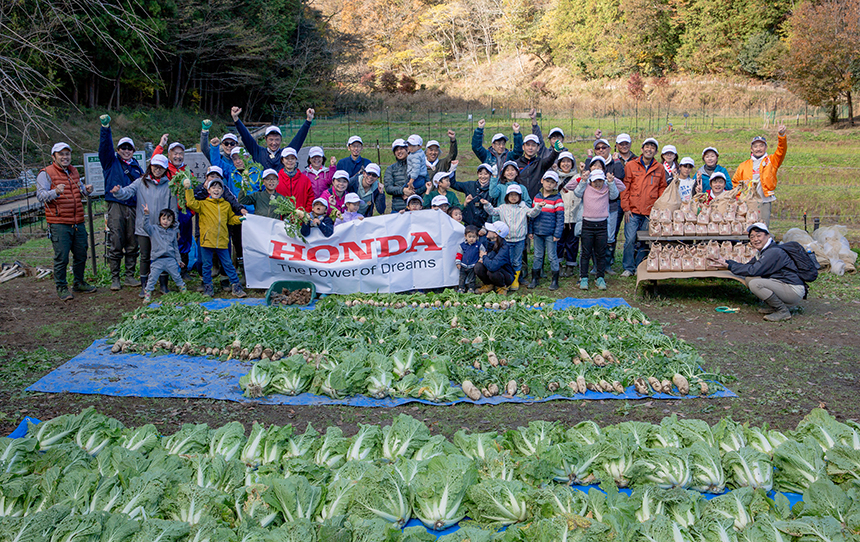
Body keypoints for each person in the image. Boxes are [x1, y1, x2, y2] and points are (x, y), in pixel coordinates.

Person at [111, 154, 177, 298]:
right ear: (150, 166)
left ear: (165, 169)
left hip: (162, 229)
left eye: (161, 167)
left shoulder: (170, 185)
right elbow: (127, 192)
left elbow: (173, 209)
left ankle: (164, 285)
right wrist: (118, 192)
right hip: (144, 227)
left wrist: (174, 227)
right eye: (155, 166)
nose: (157, 169)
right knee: (145, 256)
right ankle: (145, 286)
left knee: (163, 254)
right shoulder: (140, 182)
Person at [708, 222, 804, 322]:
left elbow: (753, 270)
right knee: (749, 279)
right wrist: (727, 263)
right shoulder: (763, 251)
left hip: (793, 289)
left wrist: (730, 266)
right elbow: (748, 266)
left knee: (755, 284)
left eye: (759, 235)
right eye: (752, 237)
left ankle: (782, 311)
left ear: (768, 235)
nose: (755, 239)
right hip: (782, 284)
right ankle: (774, 306)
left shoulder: (773, 252)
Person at [37, 142, 96, 300]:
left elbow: (79, 188)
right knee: (61, 257)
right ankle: (62, 287)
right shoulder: (46, 173)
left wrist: (86, 190)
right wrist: (54, 192)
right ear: (53, 157)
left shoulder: (74, 171)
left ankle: (78, 282)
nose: (65, 157)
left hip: (78, 221)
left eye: (67, 154)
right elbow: (40, 196)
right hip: (59, 223)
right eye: (61, 154)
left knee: (81, 254)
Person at [183, 172, 247, 298]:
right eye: (213, 187)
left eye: (219, 188)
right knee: (206, 265)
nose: (216, 190)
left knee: (228, 264)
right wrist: (188, 189)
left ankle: (236, 286)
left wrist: (240, 219)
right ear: (208, 190)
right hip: (207, 241)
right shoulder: (203, 204)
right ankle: (208, 286)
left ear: (222, 190)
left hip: (222, 241)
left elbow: (230, 219)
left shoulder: (226, 205)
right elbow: (190, 203)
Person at [98, 114, 143, 290]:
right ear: (117, 149)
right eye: (122, 148)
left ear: (133, 150)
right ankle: (115, 277)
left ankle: (129, 276)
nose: (126, 151)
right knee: (116, 240)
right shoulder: (110, 162)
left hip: (133, 206)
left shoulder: (137, 167)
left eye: (129, 148)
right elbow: (105, 147)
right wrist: (105, 129)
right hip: (115, 205)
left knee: (133, 242)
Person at [620, 137, 667, 277]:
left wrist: (658, 209)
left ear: (656, 151)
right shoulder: (631, 166)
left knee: (645, 241)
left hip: (650, 212)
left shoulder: (659, 168)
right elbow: (625, 187)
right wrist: (626, 207)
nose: (649, 149)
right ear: (642, 149)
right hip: (633, 211)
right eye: (647, 147)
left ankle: (640, 265)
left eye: (652, 147)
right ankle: (628, 267)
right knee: (629, 240)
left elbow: (662, 188)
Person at [481, 185, 542, 291]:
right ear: (507, 196)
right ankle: (506, 279)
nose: (513, 197)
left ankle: (515, 280)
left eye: (516, 195)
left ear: (519, 196)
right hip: (506, 240)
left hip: (519, 239)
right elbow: (492, 211)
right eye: (511, 195)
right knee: (507, 261)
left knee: (517, 261)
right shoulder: (503, 207)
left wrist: (538, 207)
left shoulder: (523, 207)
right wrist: (487, 204)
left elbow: (532, 213)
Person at [152, 136, 194, 275]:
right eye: (174, 153)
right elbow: (154, 162)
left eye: (180, 154)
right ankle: (165, 271)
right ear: (169, 155)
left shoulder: (188, 171)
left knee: (184, 239)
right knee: (166, 240)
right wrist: (160, 145)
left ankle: (183, 270)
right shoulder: (165, 170)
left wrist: (190, 212)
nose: (178, 156)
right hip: (167, 212)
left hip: (184, 212)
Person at [575, 169, 621, 290]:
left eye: (600, 181)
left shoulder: (606, 188)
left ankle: (600, 277)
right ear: (591, 180)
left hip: (601, 225)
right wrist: (583, 179)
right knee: (585, 252)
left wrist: (611, 181)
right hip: (587, 224)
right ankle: (583, 277)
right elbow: (576, 192)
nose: (598, 184)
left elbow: (617, 193)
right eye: (595, 181)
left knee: (601, 253)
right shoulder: (586, 187)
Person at [732, 125, 787, 226]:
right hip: (747, 202)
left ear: (766, 147)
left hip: (764, 200)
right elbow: (735, 183)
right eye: (755, 146)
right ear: (751, 149)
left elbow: (781, 151)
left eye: (761, 146)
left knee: (763, 226)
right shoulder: (743, 165)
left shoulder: (772, 161)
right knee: (747, 226)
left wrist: (781, 135)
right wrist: (740, 199)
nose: (758, 149)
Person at [230, 106, 315, 171]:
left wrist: (308, 120)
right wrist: (236, 119)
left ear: (281, 140)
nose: (274, 143)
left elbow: (298, 139)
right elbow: (246, 137)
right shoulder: (258, 152)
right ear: (265, 139)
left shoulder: (285, 154)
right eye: (271, 139)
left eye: (277, 139)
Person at [140, 205, 186, 303]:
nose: (166, 221)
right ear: (160, 219)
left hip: (170, 259)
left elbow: (175, 248)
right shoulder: (154, 230)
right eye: (163, 218)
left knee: (177, 276)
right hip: (158, 260)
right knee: (152, 278)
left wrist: (178, 260)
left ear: (172, 222)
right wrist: (146, 214)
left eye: (169, 220)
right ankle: (147, 295)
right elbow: (145, 226)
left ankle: (184, 292)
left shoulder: (173, 232)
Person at [528, 170, 565, 291]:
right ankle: (535, 278)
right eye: (547, 181)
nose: (549, 184)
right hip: (538, 232)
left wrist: (557, 233)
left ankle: (555, 280)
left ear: (555, 185)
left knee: (552, 256)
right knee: (538, 255)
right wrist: (531, 230)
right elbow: (532, 215)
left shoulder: (557, 199)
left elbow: (560, 218)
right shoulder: (537, 198)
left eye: (552, 182)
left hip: (550, 233)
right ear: (542, 181)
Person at [607, 133, 635, 269]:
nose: (624, 146)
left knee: (631, 232)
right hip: (616, 199)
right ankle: (609, 257)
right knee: (613, 230)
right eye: (621, 144)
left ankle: (632, 259)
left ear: (630, 144)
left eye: (626, 143)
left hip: (632, 199)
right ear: (616, 145)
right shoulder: (611, 159)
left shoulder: (637, 159)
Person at [556, 152, 581, 278]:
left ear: (572, 163)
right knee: (559, 242)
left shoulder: (577, 176)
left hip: (574, 215)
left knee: (572, 242)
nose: (566, 164)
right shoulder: (555, 177)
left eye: (568, 161)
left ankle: (571, 265)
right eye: (563, 161)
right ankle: (559, 264)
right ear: (559, 163)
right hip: (559, 216)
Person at [384, 139, 427, 213]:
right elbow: (388, 188)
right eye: (396, 150)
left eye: (401, 149)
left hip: (416, 208)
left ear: (407, 149)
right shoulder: (391, 169)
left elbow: (427, 183)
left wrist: (413, 192)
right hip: (398, 208)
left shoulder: (417, 164)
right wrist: (403, 190)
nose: (399, 151)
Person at [515, 133, 562, 199]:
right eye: (528, 145)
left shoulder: (541, 163)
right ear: (523, 147)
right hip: (520, 202)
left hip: (537, 202)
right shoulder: (516, 164)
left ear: (538, 148)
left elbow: (550, 159)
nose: (530, 148)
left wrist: (556, 151)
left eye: (533, 145)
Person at [475, 221, 514, 294]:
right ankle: (489, 285)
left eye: (490, 230)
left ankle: (502, 287)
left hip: (505, 274)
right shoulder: (488, 242)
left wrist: (484, 257)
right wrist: (483, 259)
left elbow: (493, 266)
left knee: (492, 271)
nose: (487, 231)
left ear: (496, 234)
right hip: (493, 267)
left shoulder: (504, 248)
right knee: (478, 266)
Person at [450, 163, 492, 228]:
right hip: (468, 225)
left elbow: (492, 212)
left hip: (483, 227)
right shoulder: (470, 185)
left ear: (490, 175)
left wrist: (485, 228)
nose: (483, 176)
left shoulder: (492, 191)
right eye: (480, 174)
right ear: (477, 174)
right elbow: (453, 184)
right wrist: (453, 169)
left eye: (486, 174)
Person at [276, 147, 314, 212]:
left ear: (296, 160)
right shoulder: (276, 179)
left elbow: (310, 198)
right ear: (282, 160)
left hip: (300, 218)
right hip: (281, 219)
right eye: (287, 158)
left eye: (292, 158)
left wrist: (305, 212)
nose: (290, 161)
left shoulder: (305, 180)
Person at [456, 225, 485, 293]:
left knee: (472, 278)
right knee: (462, 278)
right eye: (469, 237)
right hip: (463, 265)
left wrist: (481, 259)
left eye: (474, 237)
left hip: (472, 265)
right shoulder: (462, 245)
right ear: (465, 236)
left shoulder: (478, 245)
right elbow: (459, 254)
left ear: (477, 237)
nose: (471, 239)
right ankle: (461, 288)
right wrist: (458, 262)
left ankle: (471, 288)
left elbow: (483, 252)